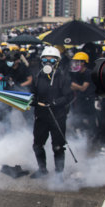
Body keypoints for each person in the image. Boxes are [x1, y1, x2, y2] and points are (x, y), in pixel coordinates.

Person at [29, 46, 73, 179]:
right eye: (46, 60)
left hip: (58, 116)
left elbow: (68, 96)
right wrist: (33, 101)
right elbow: (32, 93)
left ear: (57, 61)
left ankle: (59, 174)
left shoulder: (63, 76)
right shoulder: (37, 76)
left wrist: (55, 103)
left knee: (58, 147)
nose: (48, 63)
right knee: (37, 145)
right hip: (41, 116)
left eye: (52, 60)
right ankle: (42, 169)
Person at [68, 52, 97, 138]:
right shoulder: (76, 73)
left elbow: (83, 88)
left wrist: (73, 85)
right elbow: (71, 87)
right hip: (79, 99)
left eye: (78, 61)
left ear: (83, 62)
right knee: (77, 117)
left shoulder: (88, 73)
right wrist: (74, 86)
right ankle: (81, 134)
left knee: (91, 119)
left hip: (89, 100)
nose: (75, 63)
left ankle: (93, 137)